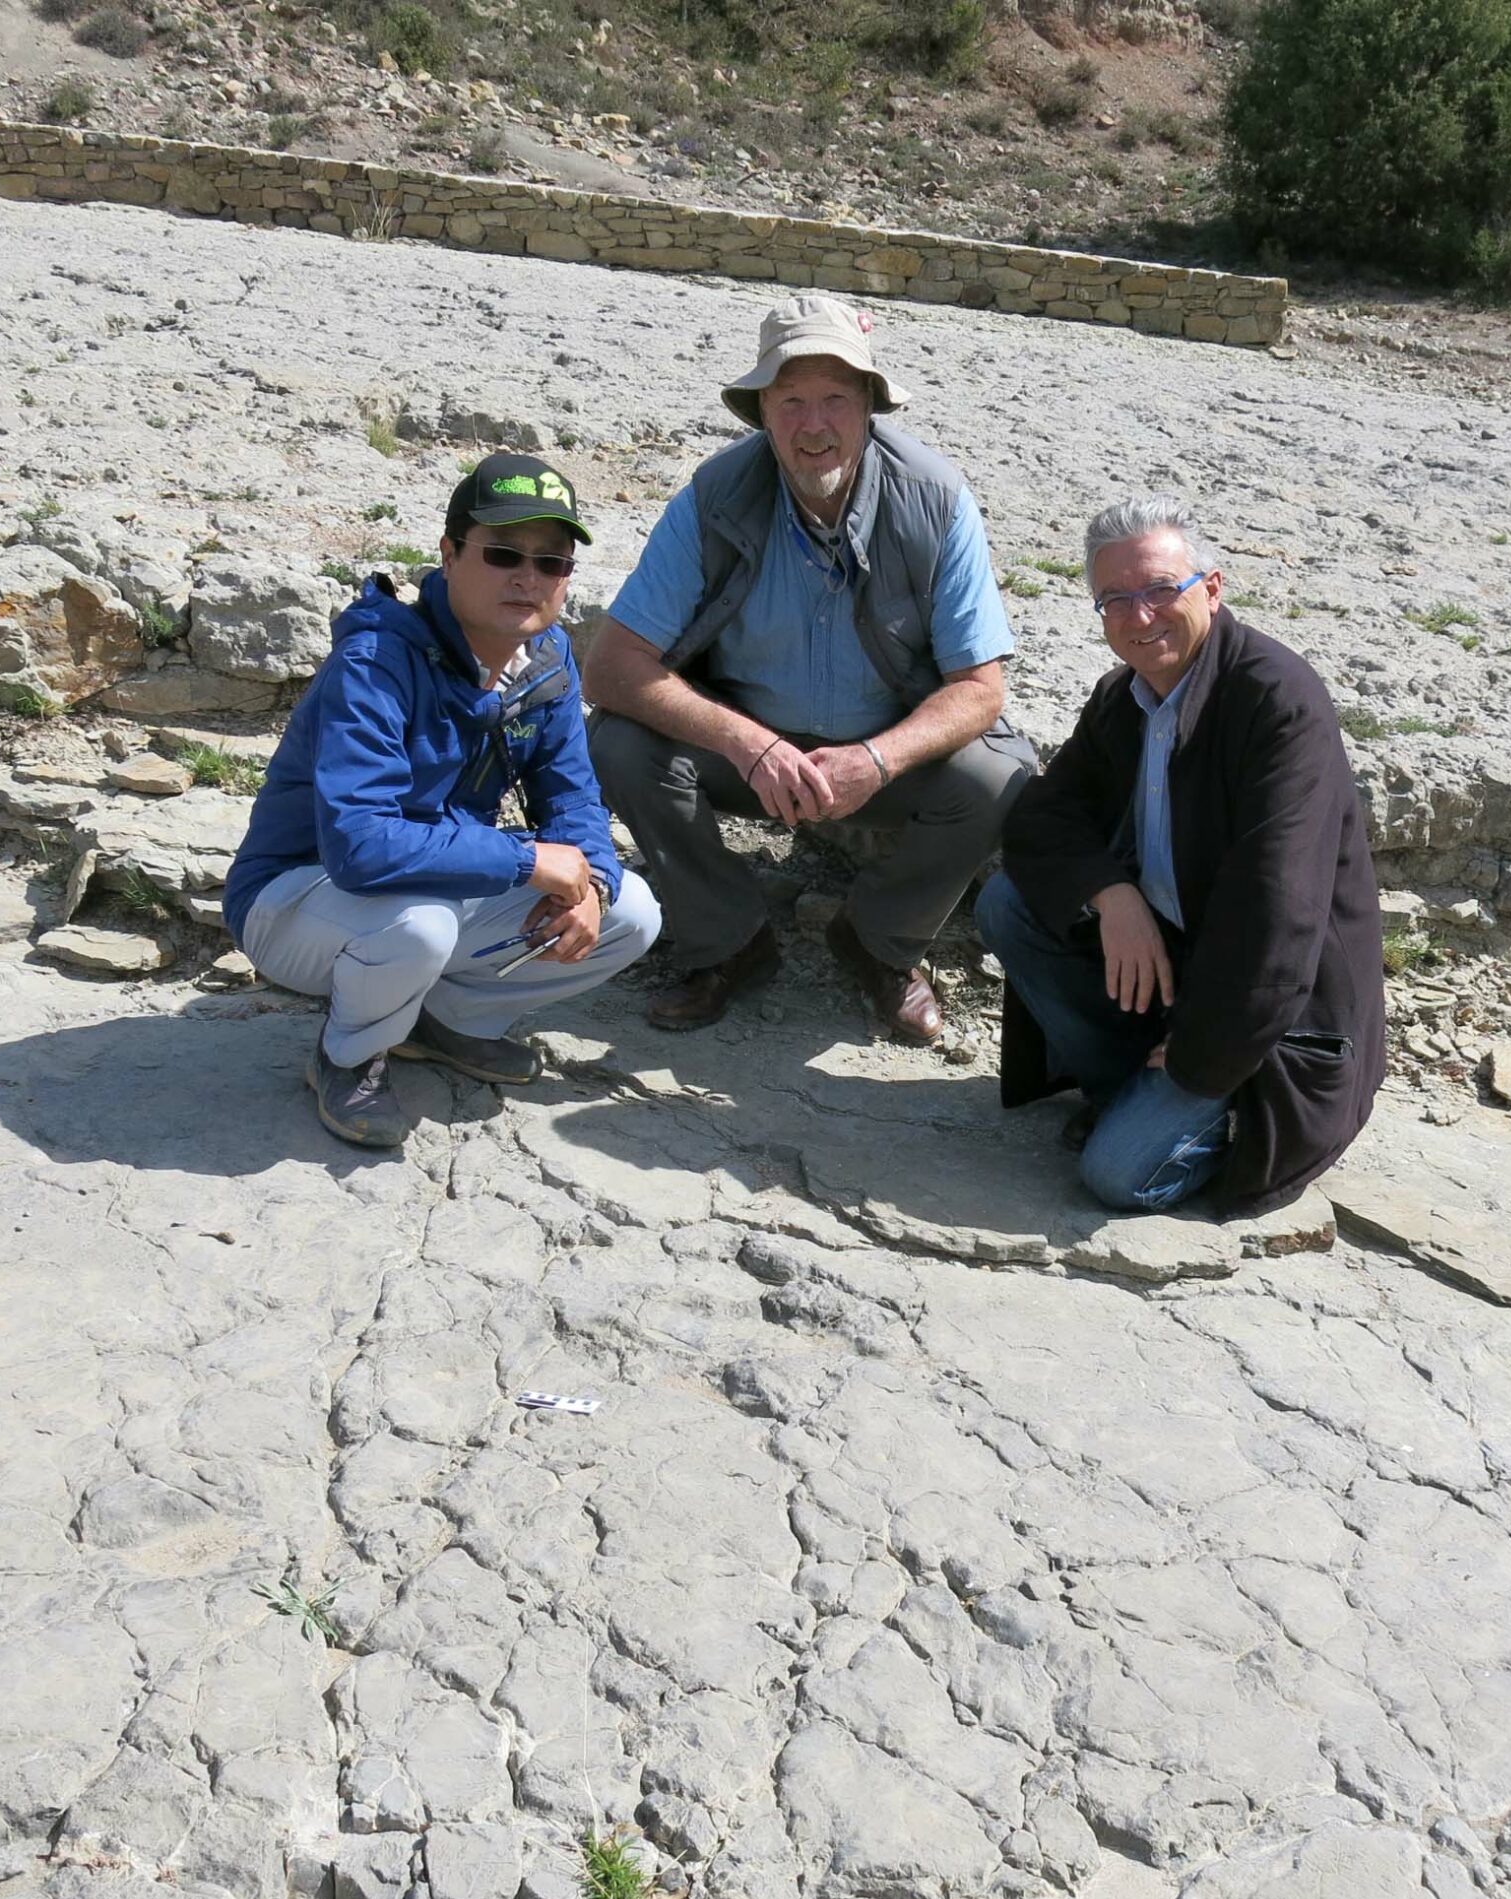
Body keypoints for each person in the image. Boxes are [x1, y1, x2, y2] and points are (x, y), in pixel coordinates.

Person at [584, 293, 1035, 1045]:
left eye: (834, 399)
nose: (814, 426)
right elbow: (609, 668)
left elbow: (981, 690)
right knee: (618, 743)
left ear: (868, 406)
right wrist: (746, 743)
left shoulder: (938, 500)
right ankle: (728, 941)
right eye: (792, 401)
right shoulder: (712, 497)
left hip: (883, 760)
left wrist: (876, 759)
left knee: (1000, 777)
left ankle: (877, 943)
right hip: (747, 757)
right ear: (762, 411)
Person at [224, 453, 661, 1148]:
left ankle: (439, 1024)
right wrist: (526, 861)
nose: (528, 576)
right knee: (417, 926)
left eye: (552, 562)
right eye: (503, 553)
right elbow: (361, 848)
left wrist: (594, 884)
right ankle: (348, 1056)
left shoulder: (543, 661)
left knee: (631, 914)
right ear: (450, 554)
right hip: (300, 897)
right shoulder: (375, 666)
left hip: (434, 884)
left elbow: (573, 798)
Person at [976, 495, 1386, 1214]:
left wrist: (1203, 1053)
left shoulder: (1276, 703)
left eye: (1162, 590)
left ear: (1213, 589)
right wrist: (1113, 895)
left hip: (1278, 1017)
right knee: (1009, 905)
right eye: (1116, 600)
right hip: (1182, 974)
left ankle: (1215, 1115)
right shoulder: (1125, 699)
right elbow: (1044, 817)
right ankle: (1131, 1090)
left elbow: (1279, 919)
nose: (1141, 617)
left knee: (1116, 1177)